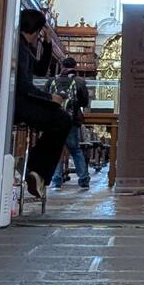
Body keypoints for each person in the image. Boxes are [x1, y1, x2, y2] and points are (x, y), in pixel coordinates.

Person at [14, 9, 72, 199]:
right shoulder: (19, 47)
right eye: (40, 33)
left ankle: (35, 168)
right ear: (35, 30)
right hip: (20, 104)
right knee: (62, 120)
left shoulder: (23, 46)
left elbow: (39, 69)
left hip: (23, 101)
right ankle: (35, 168)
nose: (39, 37)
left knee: (61, 118)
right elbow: (24, 86)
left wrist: (47, 43)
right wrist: (50, 99)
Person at [48, 56, 91, 192]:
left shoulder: (52, 80)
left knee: (56, 149)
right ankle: (83, 180)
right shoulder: (79, 81)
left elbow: (44, 97)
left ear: (62, 65)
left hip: (54, 118)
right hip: (70, 120)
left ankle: (56, 181)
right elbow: (84, 102)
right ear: (75, 66)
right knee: (75, 150)